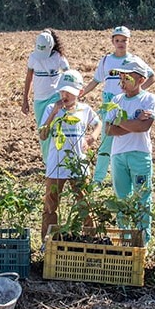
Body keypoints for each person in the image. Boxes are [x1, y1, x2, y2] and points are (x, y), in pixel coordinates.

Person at [79, 26, 155, 184]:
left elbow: (152, 76)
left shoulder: (134, 60)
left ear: (129, 41)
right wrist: (82, 93)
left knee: (127, 133)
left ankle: (127, 173)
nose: (121, 43)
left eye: (124, 40)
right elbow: (96, 80)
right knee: (106, 140)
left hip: (128, 103)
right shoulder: (106, 60)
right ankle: (99, 179)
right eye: (117, 40)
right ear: (112, 41)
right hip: (110, 102)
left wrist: (137, 92)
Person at [38, 69, 100, 240]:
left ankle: (90, 239)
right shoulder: (52, 108)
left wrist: (91, 138)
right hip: (56, 165)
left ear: (79, 93)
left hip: (77, 164)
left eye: (70, 92)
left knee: (84, 203)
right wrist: (53, 114)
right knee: (50, 205)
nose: (65, 95)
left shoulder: (84, 110)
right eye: (62, 91)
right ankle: (48, 241)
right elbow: (43, 134)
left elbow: (97, 123)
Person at [104, 59, 155, 244]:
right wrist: (131, 123)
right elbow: (108, 129)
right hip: (118, 154)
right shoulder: (116, 100)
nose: (123, 80)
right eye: (121, 76)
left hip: (140, 154)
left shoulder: (149, 99)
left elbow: (144, 127)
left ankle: (142, 240)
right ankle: (124, 239)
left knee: (142, 198)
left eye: (127, 77)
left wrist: (119, 121)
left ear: (141, 79)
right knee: (122, 199)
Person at [21, 29, 69, 162]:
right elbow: (29, 78)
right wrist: (25, 100)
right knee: (43, 130)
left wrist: (67, 96)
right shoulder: (33, 58)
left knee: (56, 128)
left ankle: (59, 159)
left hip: (55, 97)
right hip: (39, 100)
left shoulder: (58, 57)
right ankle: (48, 162)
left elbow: (68, 75)